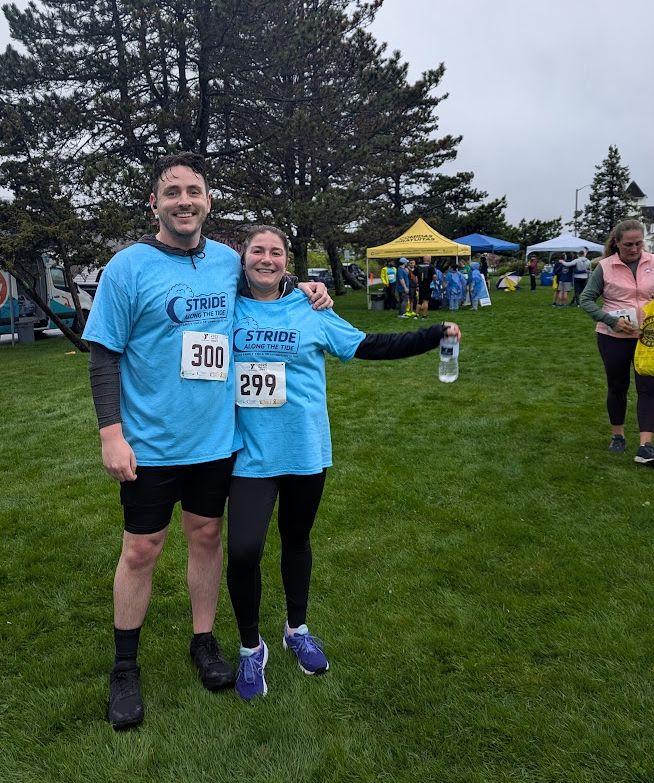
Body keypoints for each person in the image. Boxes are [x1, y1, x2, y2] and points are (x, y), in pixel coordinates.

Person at [83, 152, 331, 730]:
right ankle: (125, 667)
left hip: (217, 442)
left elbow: (272, 281)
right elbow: (103, 357)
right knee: (141, 550)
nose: (184, 201)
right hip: (149, 445)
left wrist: (310, 287)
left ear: (208, 202)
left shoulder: (226, 261)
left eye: (194, 191)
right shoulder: (127, 267)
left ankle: (204, 641)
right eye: (172, 192)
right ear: (155, 204)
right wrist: (111, 435)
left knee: (207, 537)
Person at [225, 225, 462, 700]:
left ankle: (297, 628)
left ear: (286, 261)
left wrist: (433, 332)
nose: (266, 259)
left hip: (304, 448)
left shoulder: (310, 309)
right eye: (257, 251)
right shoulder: (227, 308)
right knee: (244, 550)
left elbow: (369, 345)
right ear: (243, 258)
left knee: (296, 540)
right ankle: (252, 650)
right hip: (248, 451)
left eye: (275, 252)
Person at [579, 218, 654, 465]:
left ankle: (645, 445)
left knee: (648, 387)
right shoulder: (605, 267)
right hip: (613, 337)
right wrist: (610, 320)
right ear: (617, 244)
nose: (634, 249)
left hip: (647, 337)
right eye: (628, 245)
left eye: (639, 244)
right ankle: (618, 435)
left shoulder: (652, 262)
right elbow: (586, 299)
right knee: (618, 386)